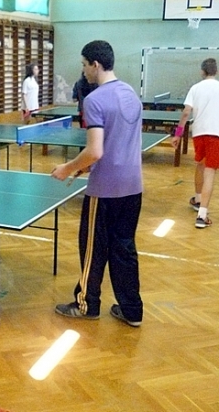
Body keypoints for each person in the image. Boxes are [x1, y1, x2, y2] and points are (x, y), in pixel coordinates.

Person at [51, 40, 144, 327]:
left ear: (96, 64)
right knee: (124, 248)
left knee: (93, 249)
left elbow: (95, 150)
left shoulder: (94, 100)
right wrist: (86, 167)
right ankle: (132, 310)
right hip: (133, 187)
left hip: (105, 191)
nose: (83, 71)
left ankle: (87, 305)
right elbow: (118, 143)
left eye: (84, 65)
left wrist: (67, 168)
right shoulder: (132, 94)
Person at [172, 58, 219, 229]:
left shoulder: (195, 88)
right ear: (216, 71)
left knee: (201, 165)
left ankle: (198, 200)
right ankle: (202, 216)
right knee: (210, 172)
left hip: (198, 134)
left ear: (202, 71)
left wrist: (178, 134)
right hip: (215, 135)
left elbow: (186, 113)